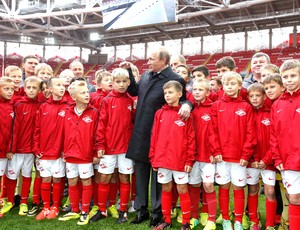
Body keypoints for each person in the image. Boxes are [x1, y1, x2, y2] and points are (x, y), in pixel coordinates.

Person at [124, 46, 191, 227]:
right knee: (140, 173)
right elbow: (134, 90)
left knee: (159, 177)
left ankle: (157, 212)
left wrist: (187, 105)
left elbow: (183, 98)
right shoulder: (146, 75)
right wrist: (129, 72)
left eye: (152, 59)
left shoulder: (175, 78)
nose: (148, 62)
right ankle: (141, 210)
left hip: (160, 135)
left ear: (163, 60)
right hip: (140, 131)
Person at [210, 72, 256, 230]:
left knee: (238, 187)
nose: (229, 87)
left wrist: (246, 154)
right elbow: (212, 131)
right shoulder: (217, 105)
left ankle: (237, 219)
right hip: (222, 157)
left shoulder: (246, 107)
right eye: (226, 84)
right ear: (222, 86)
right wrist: (216, 151)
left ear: (239, 85)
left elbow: (251, 133)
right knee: (223, 187)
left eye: (233, 84)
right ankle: (225, 219)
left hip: (240, 158)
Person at [90, 68, 135, 224]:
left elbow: (132, 123)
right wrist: (100, 144)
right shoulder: (106, 100)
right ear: (113, 82)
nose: (121, 85)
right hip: (108, 147)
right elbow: (101, 124)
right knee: (104, 177)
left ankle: (123, 210)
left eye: (124, 82)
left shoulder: (130, 101)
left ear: (129, 82)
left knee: (124, 177)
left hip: (126, 148)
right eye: (118, 82)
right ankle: (102, 210)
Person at [149, 80, 195, 230]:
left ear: (180, 94)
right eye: (165, 93)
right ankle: (167, 220)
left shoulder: (185, 114)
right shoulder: (159, 113)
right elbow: (154, 136)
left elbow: (191, 138)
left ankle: (186, 222)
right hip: (162, 160)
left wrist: (189, 160)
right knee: (166, 188)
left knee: (182, 188)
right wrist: (153, 158)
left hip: (180, 160)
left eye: (170, 92)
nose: (167, 95)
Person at [58, 81, 99, 225]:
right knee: (72, 181)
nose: (87, 95)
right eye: (82, 93)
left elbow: (97, 135)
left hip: (85, 155)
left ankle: (85, 211)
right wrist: (63, 149)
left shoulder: (94, 113)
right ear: (74, 97)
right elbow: (62, 133)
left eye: (87, 92)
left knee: (86, 181)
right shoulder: (67, 112)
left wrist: (95, 153)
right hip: (70, 154)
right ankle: (75, 210)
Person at [1, 77, 41, 217]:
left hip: (31, 150)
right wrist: (12, 148)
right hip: (17, 150)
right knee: (11, 175)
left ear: (39, 90)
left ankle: (24, 202)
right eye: (28, 87)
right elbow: (13, 129)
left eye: (34, 88)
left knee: (27, 174)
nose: (31, 90)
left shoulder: (40, 105)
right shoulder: (17, 104)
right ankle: (10, 201)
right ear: (24, 88)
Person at [33, 77, 69, 220]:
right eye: (58, 85)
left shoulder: (68, 106)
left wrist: (65, 149)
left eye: (63, 85)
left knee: (57, 180)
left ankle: (56, 206)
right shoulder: (43, 107)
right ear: (50, 89)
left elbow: (70, 131)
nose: (62, 87)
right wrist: (36, 148)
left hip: (59, 153)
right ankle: (46, 206)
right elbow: (37, 129)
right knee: (46, 179)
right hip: (44, 151)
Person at [270, 59, 300, 230]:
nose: (289, 80)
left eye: (293, 76)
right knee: (294, 198)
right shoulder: (277, 104)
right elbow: (273, 134)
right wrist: (277, 157)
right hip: (288, 161)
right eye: (285, 76)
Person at [247, 83, 277, 230]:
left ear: (264, 96)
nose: (254, 98)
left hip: (268, 161)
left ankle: (270, 224)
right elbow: (244, 138)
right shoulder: (247, 112)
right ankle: (254, 220)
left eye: (257, 95)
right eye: (251, 96)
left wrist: (267, 159)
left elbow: (275, 138)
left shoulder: (271, 112)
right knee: (253, 189)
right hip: (251, 161)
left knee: (270, 191)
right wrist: (251, 159)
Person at [188, 79, 217, 230]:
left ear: (207, 92)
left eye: (200, 90)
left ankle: (211, 218)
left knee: (208, 184)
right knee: (193, 184)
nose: (197, 92)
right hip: (192, 155)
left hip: (208, 155)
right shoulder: (188, 108)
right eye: (195, 90)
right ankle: (194, 216)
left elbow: (216, 132)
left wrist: (214, 151)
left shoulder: (213, 108)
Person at [0, 77, 14, 217]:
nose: (10, 92)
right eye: (6, 89)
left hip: (4, 151)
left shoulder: (11, 106)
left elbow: (12, 130)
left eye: (11, 89)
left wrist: (10, 148)